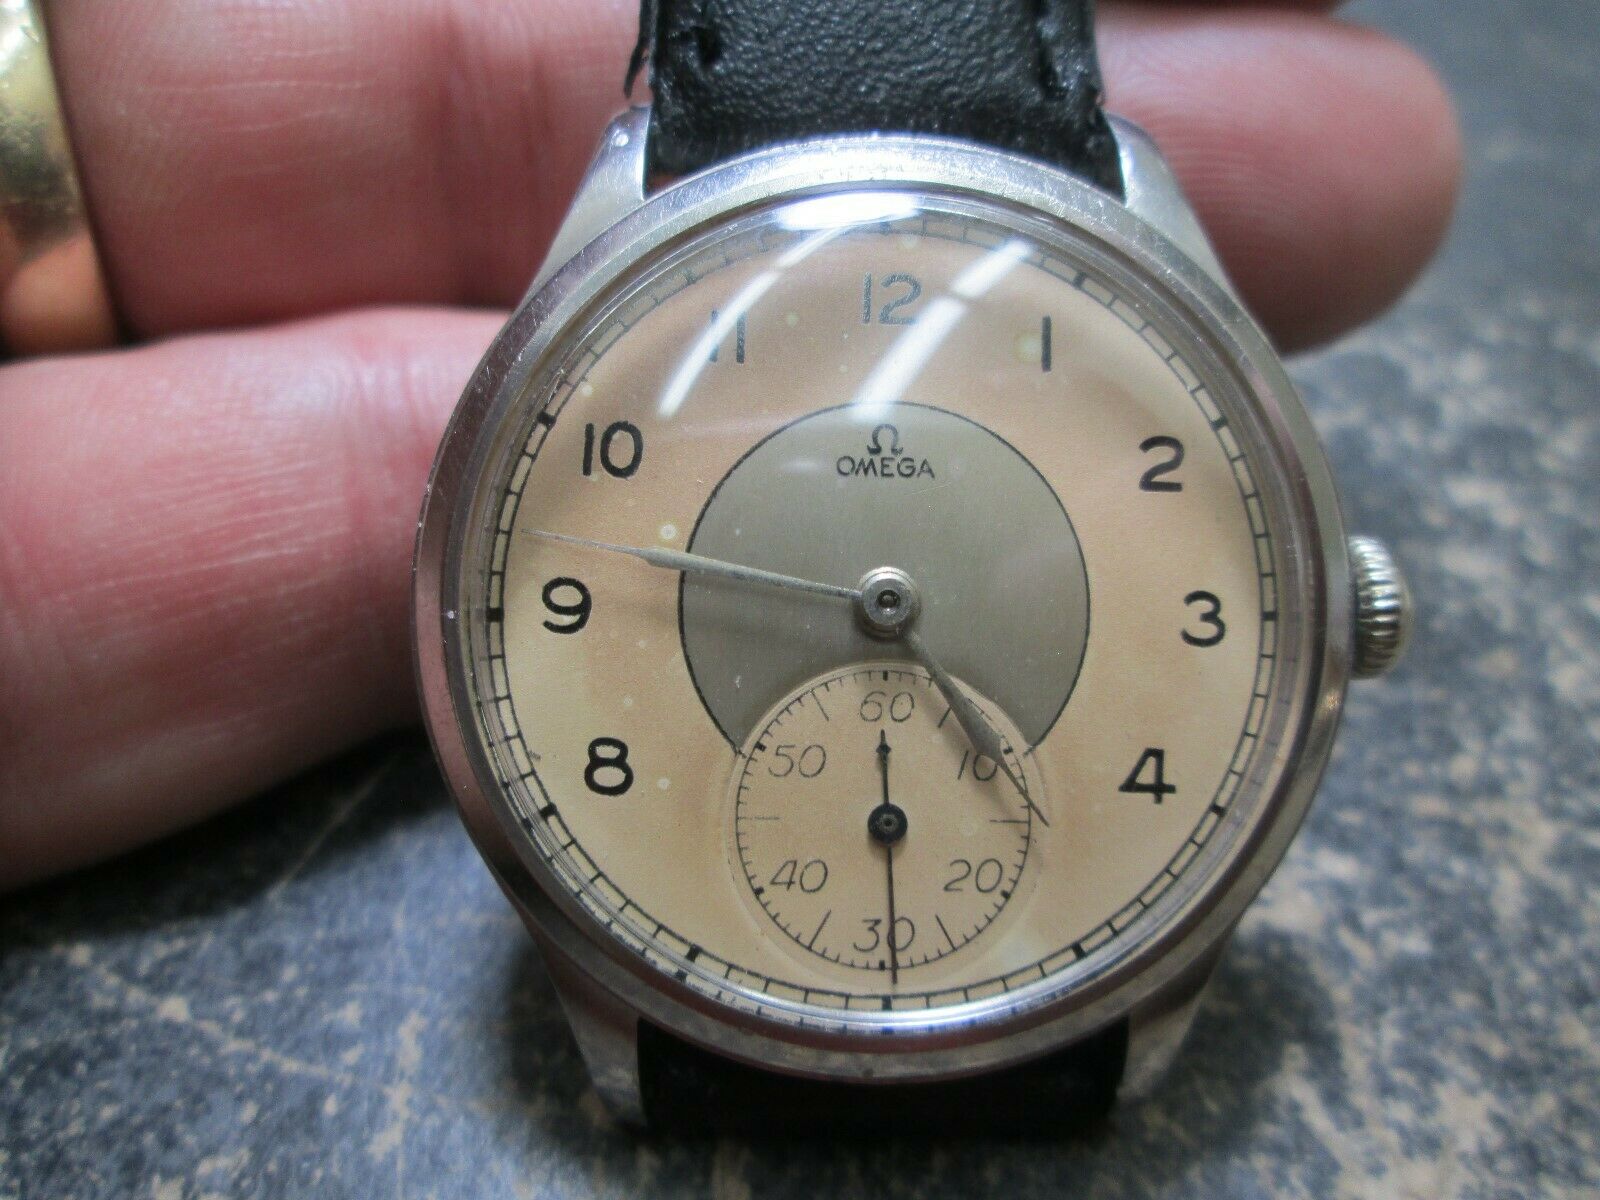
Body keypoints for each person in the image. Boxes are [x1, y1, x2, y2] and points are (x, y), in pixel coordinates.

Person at [0, 0, 1462, 891]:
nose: (885, 601)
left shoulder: (1115, 219)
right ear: (1362, 610)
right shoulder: (643, 202)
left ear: (1342, 618)